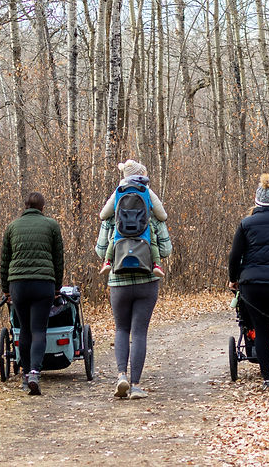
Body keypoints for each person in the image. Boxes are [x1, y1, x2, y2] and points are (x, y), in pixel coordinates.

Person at [227, 173, 269, 393]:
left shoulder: (246, 223)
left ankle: (267, 378)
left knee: (261, 329)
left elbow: (234, 255)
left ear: (256, 201)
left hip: (252, 284)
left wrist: (233, 279)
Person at [95, 212, 172, 399]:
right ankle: (136, 385)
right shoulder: (153, 214)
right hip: (147, 281)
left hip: (119, 281)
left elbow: (100, 250)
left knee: (121, 329)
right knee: (139, 332)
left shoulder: (112, 215)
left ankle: (122, 375)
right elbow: (166, 250)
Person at [0, 191, 64, 396]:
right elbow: (58, 259)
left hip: (18, 284)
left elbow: (4, 261)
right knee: (39, 330)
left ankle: (26, 375)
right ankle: (35, 372)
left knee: (24, 329)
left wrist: (5, 288)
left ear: (25, 206)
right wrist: (57, 288)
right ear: (42, 208)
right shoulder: (52, 225)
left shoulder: (12, 227)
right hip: (43, 283)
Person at [98, 160, 167, 277]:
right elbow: (162, 215)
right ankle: (156, 265)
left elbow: (103, 215)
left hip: (122, 226)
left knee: (113, 239)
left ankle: (107, 262)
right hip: (143, 226)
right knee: (153, 241)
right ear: (140, 176)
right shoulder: (146, 191)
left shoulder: (119, 191)